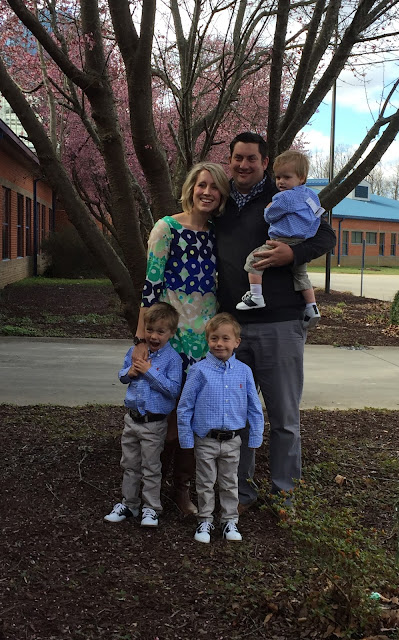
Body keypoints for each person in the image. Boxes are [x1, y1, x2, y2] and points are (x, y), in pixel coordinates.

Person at [214, 132, 336, 511]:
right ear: (230, 160)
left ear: (264, 163)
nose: (243, 165)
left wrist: (292, 255)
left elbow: (326, 237)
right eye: (238, 157)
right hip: (232, 328)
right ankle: (241, 492)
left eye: (251, 158)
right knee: (238, 415)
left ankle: (285, 493)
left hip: (280, 323)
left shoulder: (286, 193)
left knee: (284, 416)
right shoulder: (221, 200)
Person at [132, 162, 230, 516]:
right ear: (191, 188)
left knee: (193, 416)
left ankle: (182, 489)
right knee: (165, 413)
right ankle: (149, 491)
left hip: (205, 341)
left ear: (222, 195)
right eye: (201, 184)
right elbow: (151, 285)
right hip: (171, 338)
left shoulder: (218, 233)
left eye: (214, 187)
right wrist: (141, 338)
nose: (207, 192)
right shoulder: (167, 228)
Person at [177, 313, 264, 543]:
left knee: (230, 482)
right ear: (207, 340)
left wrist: (255, 436)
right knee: (205, 482)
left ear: (237, 342)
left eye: (226, 338)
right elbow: (185, 407)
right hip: (205, 439)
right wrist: (186, 439)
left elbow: (254, 407)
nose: (219, 343)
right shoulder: (198, 371)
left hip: (233, 441)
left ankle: (229, 520)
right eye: (214, 338)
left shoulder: (244, 371)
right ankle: (205, 519)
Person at [104, 302, 183, 527]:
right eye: (150, 330)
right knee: (129, 464)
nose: (154, 336)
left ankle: (151, 508)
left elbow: (173, 390)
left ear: (171, 333)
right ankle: (129, 504)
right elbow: (122, 375)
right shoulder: (135, 352)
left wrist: (150, 372)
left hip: (154, 424)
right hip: (132, 420)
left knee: (151, 467)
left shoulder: (173, 359)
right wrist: (129, 372)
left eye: (160, 331)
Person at [236, 150, 324, 328]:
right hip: (301, 241)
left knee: (254, 261)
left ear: (301, 178)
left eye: (287, 177)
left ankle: (256, 296)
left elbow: (270, 216)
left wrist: (268, 208)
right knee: (301, 275)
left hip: (282, 240)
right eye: (278, 177)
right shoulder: (311, 195)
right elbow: (318, 215)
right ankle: (312, 307)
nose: (281, 182)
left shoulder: (285, 197)